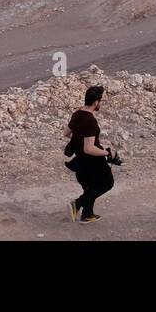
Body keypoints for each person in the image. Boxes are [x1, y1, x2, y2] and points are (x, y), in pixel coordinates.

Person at [64, 85, 115, 224]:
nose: (100, 103)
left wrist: (80, 139)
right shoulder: (90, 120)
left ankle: (87, 214)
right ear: (96, 102)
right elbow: (89, 148)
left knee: (90, 188)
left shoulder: (77, 114)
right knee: (107, 183)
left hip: (80, 162)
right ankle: (77, 204)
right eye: (101, 101)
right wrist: (106, 152)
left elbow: (66, 133)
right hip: (92, 162)